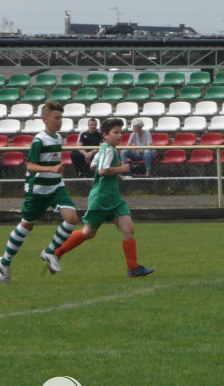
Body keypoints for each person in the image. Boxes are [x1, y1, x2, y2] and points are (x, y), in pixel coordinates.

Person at [52, 118, 154, 278]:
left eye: (121, 132)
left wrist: (114, 170)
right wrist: (122, 168)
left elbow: (93, 166)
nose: (120, 135)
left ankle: (133, 268)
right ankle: (56, 253)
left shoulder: (105, 149)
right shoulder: (108, 150)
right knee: (88, 233)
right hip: (101, 199)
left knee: (129, 229)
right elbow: (101, 171)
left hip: (114, 199)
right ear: (105, 135)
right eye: (116, 132)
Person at [0, 101, 81, 283]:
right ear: (45, 119)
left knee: (72, 218)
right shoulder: (39, 140)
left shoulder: (58, 138)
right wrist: (51, 169)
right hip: (38, 189)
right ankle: (4, 261)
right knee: (27, 225)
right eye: (56, 118)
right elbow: (31, 166)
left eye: (61, 118)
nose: (60, 121)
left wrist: (55, 172)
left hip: (56, 186)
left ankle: (50, 252)